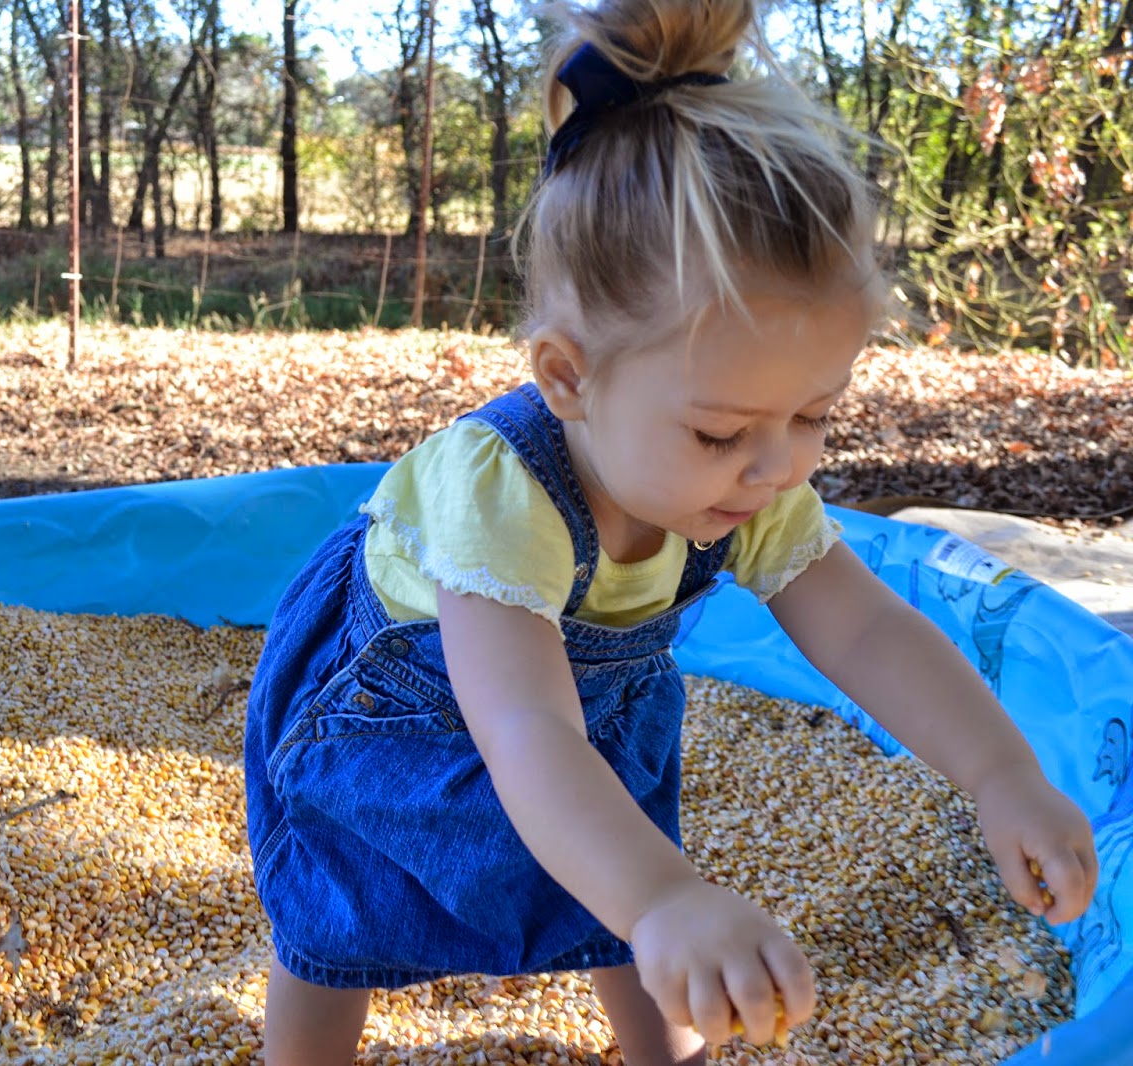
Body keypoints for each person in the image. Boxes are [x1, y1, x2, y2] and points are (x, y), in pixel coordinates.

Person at [242, 1, 1100, 1062]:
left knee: (630, 860)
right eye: (721, 432)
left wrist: (1000, 772)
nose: (778, 466)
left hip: (577, 715)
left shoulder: (747, 481)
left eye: (813, 414)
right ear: (568, 377)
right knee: (343, 912)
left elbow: (866, 630)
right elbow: (527, 731)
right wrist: (665, 899)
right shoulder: (498, 494)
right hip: (403, 714)